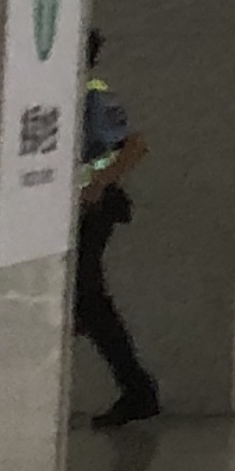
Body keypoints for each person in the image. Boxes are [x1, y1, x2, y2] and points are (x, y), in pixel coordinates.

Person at [75, 31, 161, 427]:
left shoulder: (91, 96)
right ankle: (137, 390)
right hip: (79, 210)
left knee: (88, 297)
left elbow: (135, 145)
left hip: (92, 210)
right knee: (87, 300)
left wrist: (98, 184)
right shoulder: (67, 93)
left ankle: (138, 390)